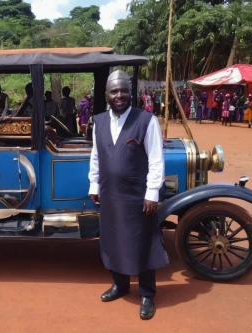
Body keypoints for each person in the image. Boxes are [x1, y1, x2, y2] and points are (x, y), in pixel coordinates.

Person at [88, 70, 168, 320]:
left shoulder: (146, 120)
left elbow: (156, 159)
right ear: (106, 95)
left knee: (142, 241)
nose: (120, 95)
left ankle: (147, 293)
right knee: (114, 240)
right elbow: (96, 155)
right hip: (109, 193)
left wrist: (152, 192)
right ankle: (120, 285)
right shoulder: (98, 121)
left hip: (137, 195)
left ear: (130, 93)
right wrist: (93, 184)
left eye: (124, 90)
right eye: (115, 91)